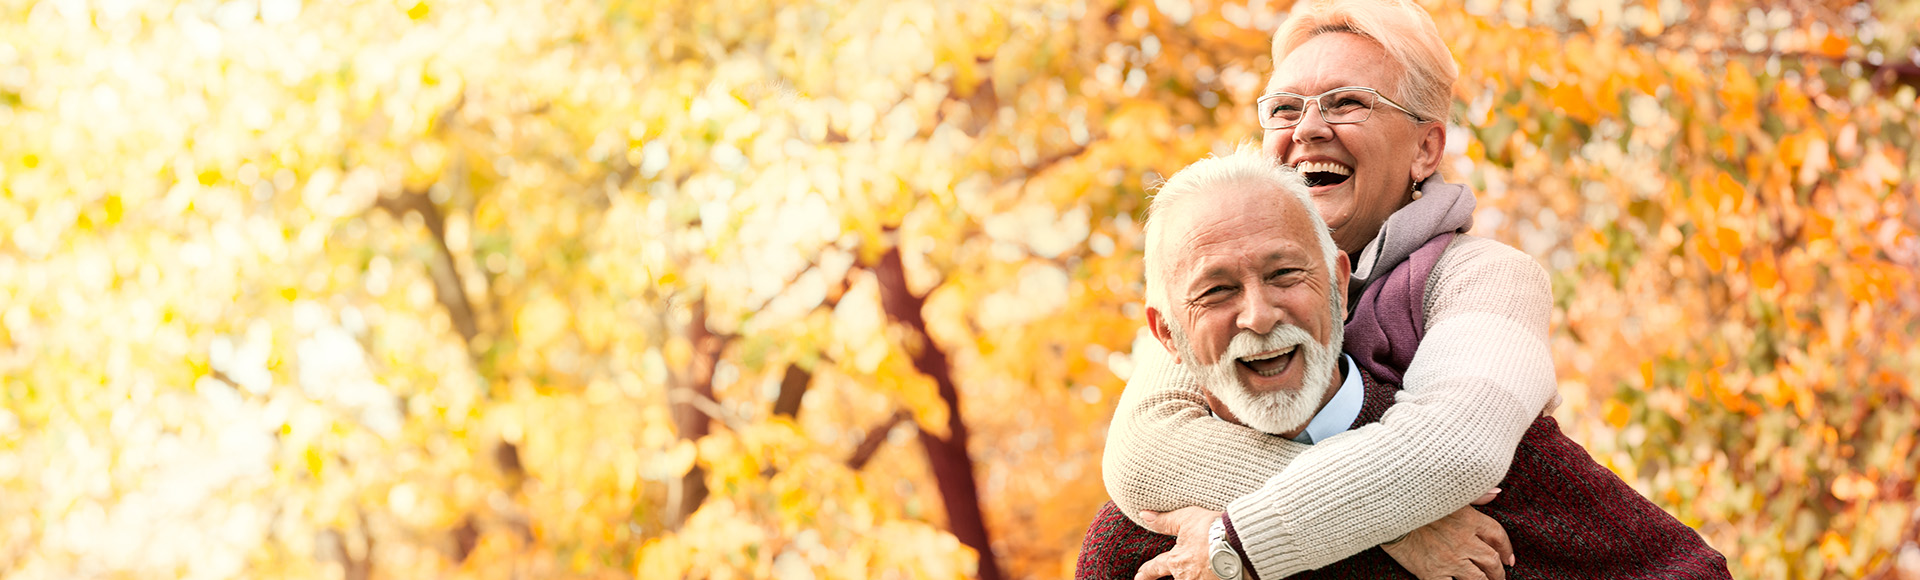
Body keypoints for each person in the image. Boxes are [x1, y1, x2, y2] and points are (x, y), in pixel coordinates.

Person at [1101, 1, 1599, 578]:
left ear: (1425, 149)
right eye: (1285, 109)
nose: (1309, 129)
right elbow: (1146, 450)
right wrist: (1399, 527)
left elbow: (1453, 450)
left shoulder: (1486, 277)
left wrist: (1238, 537)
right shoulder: (1228, 293)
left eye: (1347, 103)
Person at [1076, 149, 1729, 579]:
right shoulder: (1141, 545)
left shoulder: (1507, 471)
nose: (1259, 315)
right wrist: (1385, 526)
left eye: (1285, 275)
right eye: (1216, 291)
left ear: (1338, 283)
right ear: (1167, 334)